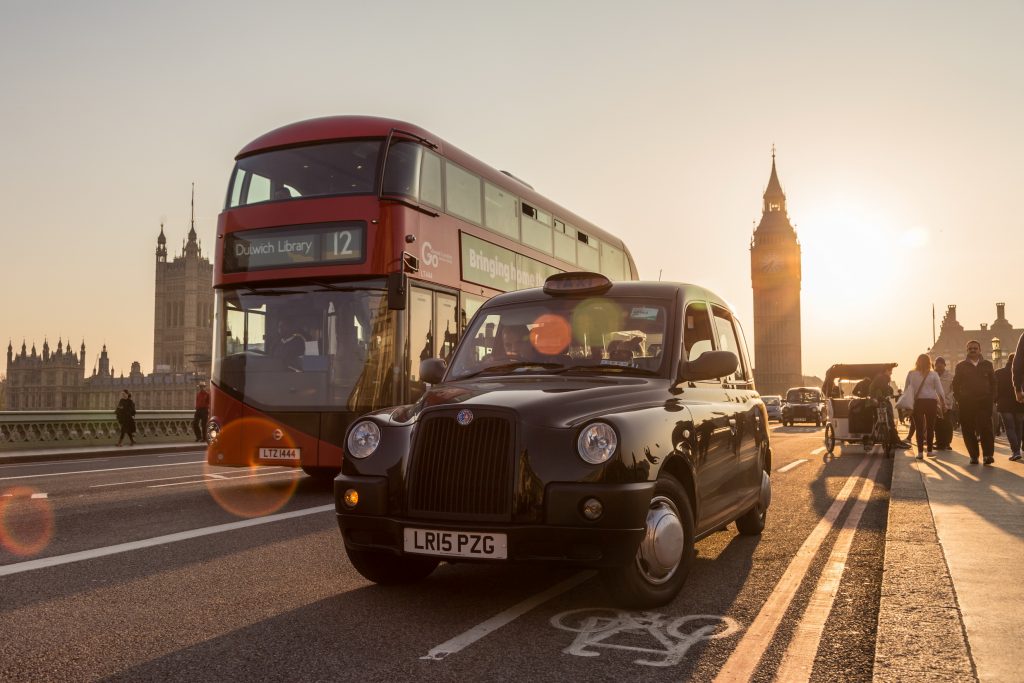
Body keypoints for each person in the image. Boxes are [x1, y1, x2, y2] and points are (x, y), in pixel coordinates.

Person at [951, 340, 997, 465]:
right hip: (967, 402)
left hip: (984, 401)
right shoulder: (961, 366)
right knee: (968, 429)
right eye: (970, 348)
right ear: (967, 350)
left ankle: (988, 455)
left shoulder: (987, 364)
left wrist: (992, 398)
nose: (973, 350)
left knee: (986, 428)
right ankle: (974, 455)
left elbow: (994, 383)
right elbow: (955, 384)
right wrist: (959, 398)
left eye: (975, 348)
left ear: (980, 350)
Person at [903, 354, 946, 459]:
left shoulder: (911, 374)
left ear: (917, 362)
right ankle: (930, 451)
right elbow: (940, 390)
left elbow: (906, 390)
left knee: (919, 428)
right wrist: (943, 403)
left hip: (917, 403)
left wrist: (907, 404)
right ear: (929, 362)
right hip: (931, 402)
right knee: (930, 428)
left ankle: (920, 453)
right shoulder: (934, 374)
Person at [869, 366, 910, 448]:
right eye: (890, 371)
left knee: (882, 421)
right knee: (890, 422)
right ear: (886, 370)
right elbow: (884, 389)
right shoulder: (883, 378)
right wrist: (886, 396)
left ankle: (890, 439)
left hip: (877, 402)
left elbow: (876, 388)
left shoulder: (879, 378)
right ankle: (896, 441)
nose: (891, 373)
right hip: (883, 402)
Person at [995, 352, 1024, 461]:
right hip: (1020, 403)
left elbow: (994, 388)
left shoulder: (999, 372)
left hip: (1004, 404)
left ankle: (1015, 451)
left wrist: (996, 400)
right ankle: (1018, 449)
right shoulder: (1021, 373)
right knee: (1019, 427)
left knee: (1010, 428)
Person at [933, 357, 955, 450]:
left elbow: (953, 390)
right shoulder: (932, 376)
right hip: (935, 404)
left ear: (944, 365)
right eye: (937, 364)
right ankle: (939, 442)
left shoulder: (950, 376)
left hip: (947, 403)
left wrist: (947, 401)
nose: (939, 366)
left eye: (941, 364)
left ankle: (947, 443)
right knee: (938, 424)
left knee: (947, 424)